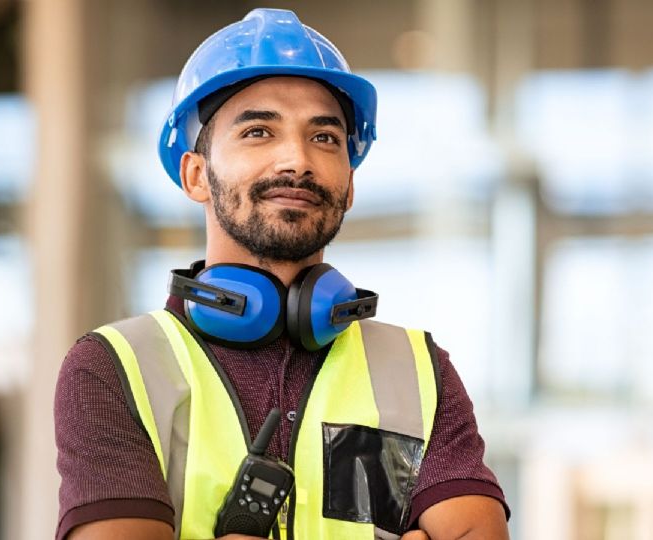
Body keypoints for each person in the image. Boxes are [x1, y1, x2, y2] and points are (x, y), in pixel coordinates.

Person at [54, 8, 509, 540]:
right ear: (196, 175)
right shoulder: (114, 369)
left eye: (325, 138)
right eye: (259, 131)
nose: (296, 159)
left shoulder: (417, 372)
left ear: (350, 185)